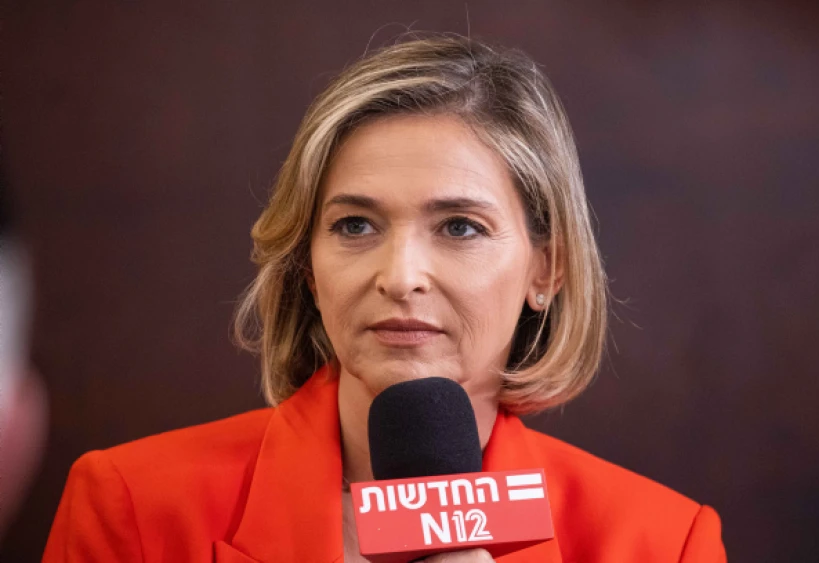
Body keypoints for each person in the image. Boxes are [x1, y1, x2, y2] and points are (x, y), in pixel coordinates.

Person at [42, 35, 726, 562]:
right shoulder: (131, 505)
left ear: (546, 271)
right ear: (309, 265)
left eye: (460, 226)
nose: (399, 276)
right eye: (355, 225)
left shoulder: (663, 541)